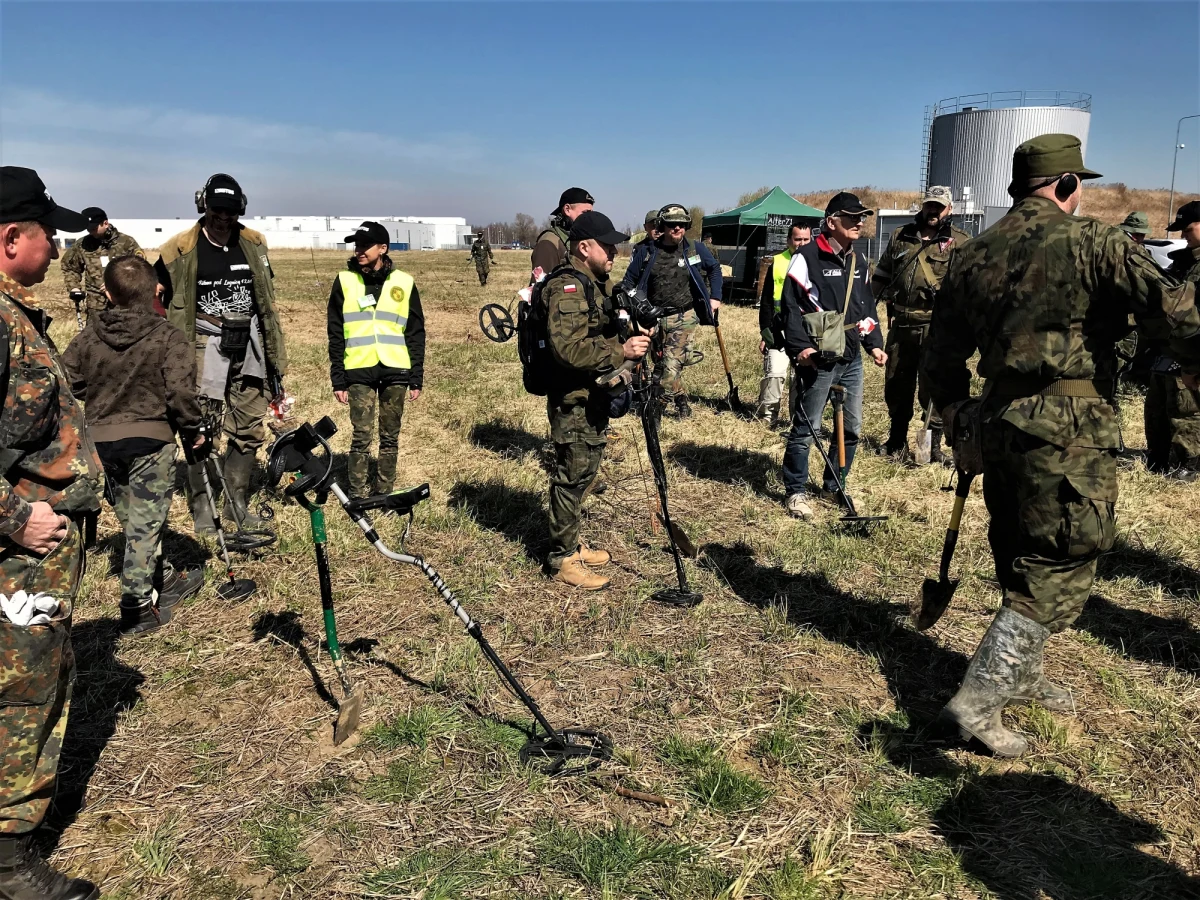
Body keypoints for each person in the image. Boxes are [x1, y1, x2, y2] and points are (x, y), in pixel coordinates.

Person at [923, 134, 1200, 758]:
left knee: (1021, 545)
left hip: (996, 420)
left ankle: (1020, 669)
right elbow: (1179, 317)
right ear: (1069, 186)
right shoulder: (1096, 243)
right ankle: (978, 702)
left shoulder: (972, 254)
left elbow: (940, 353)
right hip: (1070, 426)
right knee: (1063, 558)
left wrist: (956, 411)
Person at [0, 166, 103, 900]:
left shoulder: (17, 314)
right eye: (48, 232)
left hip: (35, 553)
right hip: (17, 555)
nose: (58, 244)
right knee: (20, 691)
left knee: (35, 679)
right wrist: (13, 515)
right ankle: (8, 856)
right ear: (12, 238)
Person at [62, 256, 207, 636]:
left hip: (101, 442)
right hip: (150, 440)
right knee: (143, 525)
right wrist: (194, 428)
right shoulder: (170, 336)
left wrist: (97, 394)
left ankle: (168, 579)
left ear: (107, 293)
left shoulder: (88, 336)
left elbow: (68, 379)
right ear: (156, 291)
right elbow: (181, 393)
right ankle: (137, 606)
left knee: (134, 519)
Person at [155, 173, 288, 535]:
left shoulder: (253, 244)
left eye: (230, 211)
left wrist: (273, 351)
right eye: (216, 210)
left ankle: (236, 503)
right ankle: (203, 507)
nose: (223, 218)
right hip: (202, 345)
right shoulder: (179, 249)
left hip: (249, 344)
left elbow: (265, 297)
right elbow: (156, 298)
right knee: (203, 427)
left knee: (249, 427)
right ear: (203, 206)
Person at [542, 211, 649, 589]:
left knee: (585, 472)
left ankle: (570, 542)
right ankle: (562, 558)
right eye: (607, 245)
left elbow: (596, 327)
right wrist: (621, 349)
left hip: (593, 393)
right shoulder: (567, 288)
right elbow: (568, 349)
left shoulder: (594, 283)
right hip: (574, 397)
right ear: (584, 247)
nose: (614, 252)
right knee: (572, 476)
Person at [779, 192, 886, 519]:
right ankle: (795, 491)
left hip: (851, 357)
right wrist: (801, 348)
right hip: (820, 357)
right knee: (807, 428)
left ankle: (834, 486)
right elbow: (789, 308)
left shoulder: (860, 261)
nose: (860, 222)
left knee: (850, 428)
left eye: (862, 217)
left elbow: (866, 306)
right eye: (852, 217)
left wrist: (875, 344)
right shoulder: (807, 257)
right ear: (831, 222)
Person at [327, 221, 426, 501]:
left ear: (383, 248)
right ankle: (357, 496)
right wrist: (338, 377)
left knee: (390, 438)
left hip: (396, 371)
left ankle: (384, 493)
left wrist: (415, 375)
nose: (359, 250)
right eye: (356, 245)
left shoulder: (404, 283)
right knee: (361, 437)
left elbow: (416, 332)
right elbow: (335, 333)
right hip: (358, 370)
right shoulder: (345, 281)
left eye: (365, 245)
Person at [871, 186, 969, 462]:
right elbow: (881, 275)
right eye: (929, 206)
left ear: (950, 209)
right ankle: (896, 443)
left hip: (936, 328)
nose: (933, 211)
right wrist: (863, 306)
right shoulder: (901, 237)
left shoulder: (960, 242)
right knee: (896, 385)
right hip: (902, 325)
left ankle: (928, 450)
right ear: (922, 207)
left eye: (939, 207)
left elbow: (968, 287)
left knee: (932, 389)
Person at [621, 204, 722, 418]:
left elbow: (714, 269)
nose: (677, 228)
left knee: (670, 365)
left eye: (682, 224)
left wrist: (715, 298)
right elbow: (628, 282)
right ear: (662, 226)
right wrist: (637, 307)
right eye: (672, 224)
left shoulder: (695, 249)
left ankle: (655, 411)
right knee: (663, 365)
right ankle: (682, 400)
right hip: (653, 319)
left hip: (684, 316)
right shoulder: (647, 251)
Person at [1144, 201, 1200, 477]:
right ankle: (1157, 458)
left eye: (1188, 229)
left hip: (1192, 347)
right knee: (1157, 406)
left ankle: (1188, 463)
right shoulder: (1182, 261)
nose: (1183, 236)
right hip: (1167, 346)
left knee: (1185, 408)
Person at [756, 222, 812, 427]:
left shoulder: (817, 263)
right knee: (774, 374)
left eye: (806, 239)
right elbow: (767, 302)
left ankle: (797, 419)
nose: (801, 243)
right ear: (789, 240)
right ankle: (767, 417)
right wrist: (765, 331)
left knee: (801, 378)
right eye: (798, 239)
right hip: (779, 329)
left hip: (806, 331)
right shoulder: (777, 262)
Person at [60, 206, 143, 324]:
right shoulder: (83, 244)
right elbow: (69, 267)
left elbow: (140, 268)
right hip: (96, 306)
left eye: (94, 228)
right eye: (88, 229)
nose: (91, 232)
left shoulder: (127, 243)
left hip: (124, 304)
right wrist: (74, 287)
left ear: (105, 223)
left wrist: (118, 282)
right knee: (93, 339)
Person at [530, 187, 594, 276]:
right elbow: (539, 286)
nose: (590, 218)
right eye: (585, 213)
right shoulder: (548, 242)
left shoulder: (577, 240)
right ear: (567, 209)